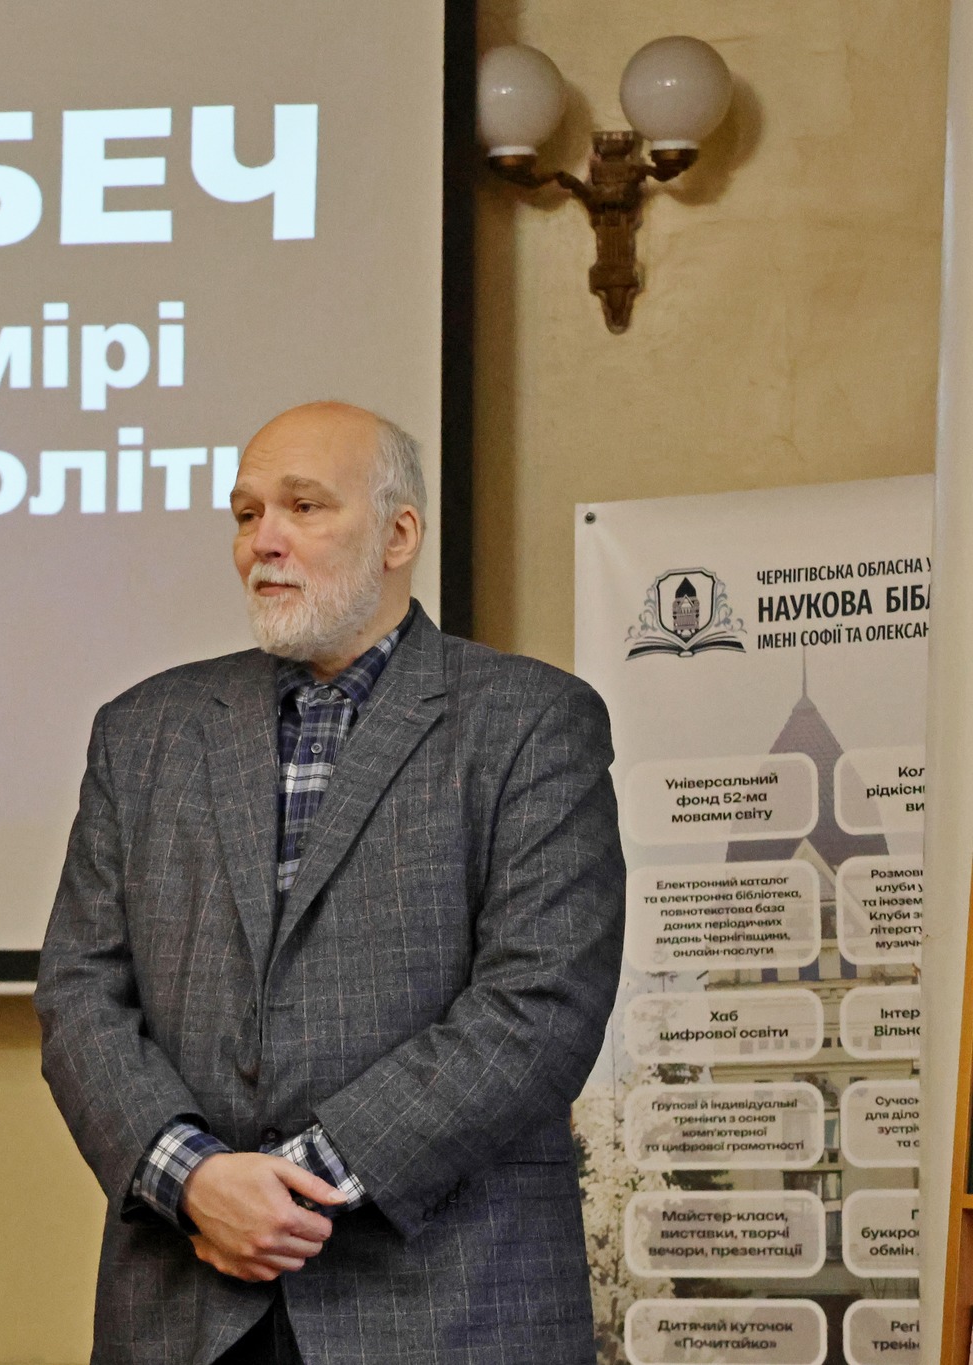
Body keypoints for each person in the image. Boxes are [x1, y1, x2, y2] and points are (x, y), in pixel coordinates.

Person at [34, 401, 624, 1364]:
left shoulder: (531, 721)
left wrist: (291, 1185)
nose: (262, 541)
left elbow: (540, 1004)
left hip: (445, 1313)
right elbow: (79, 992)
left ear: (399, 535)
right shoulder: (142, 731)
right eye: (246, 514)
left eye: (303, 507)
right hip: (187, 1309)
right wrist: (192, 1178)